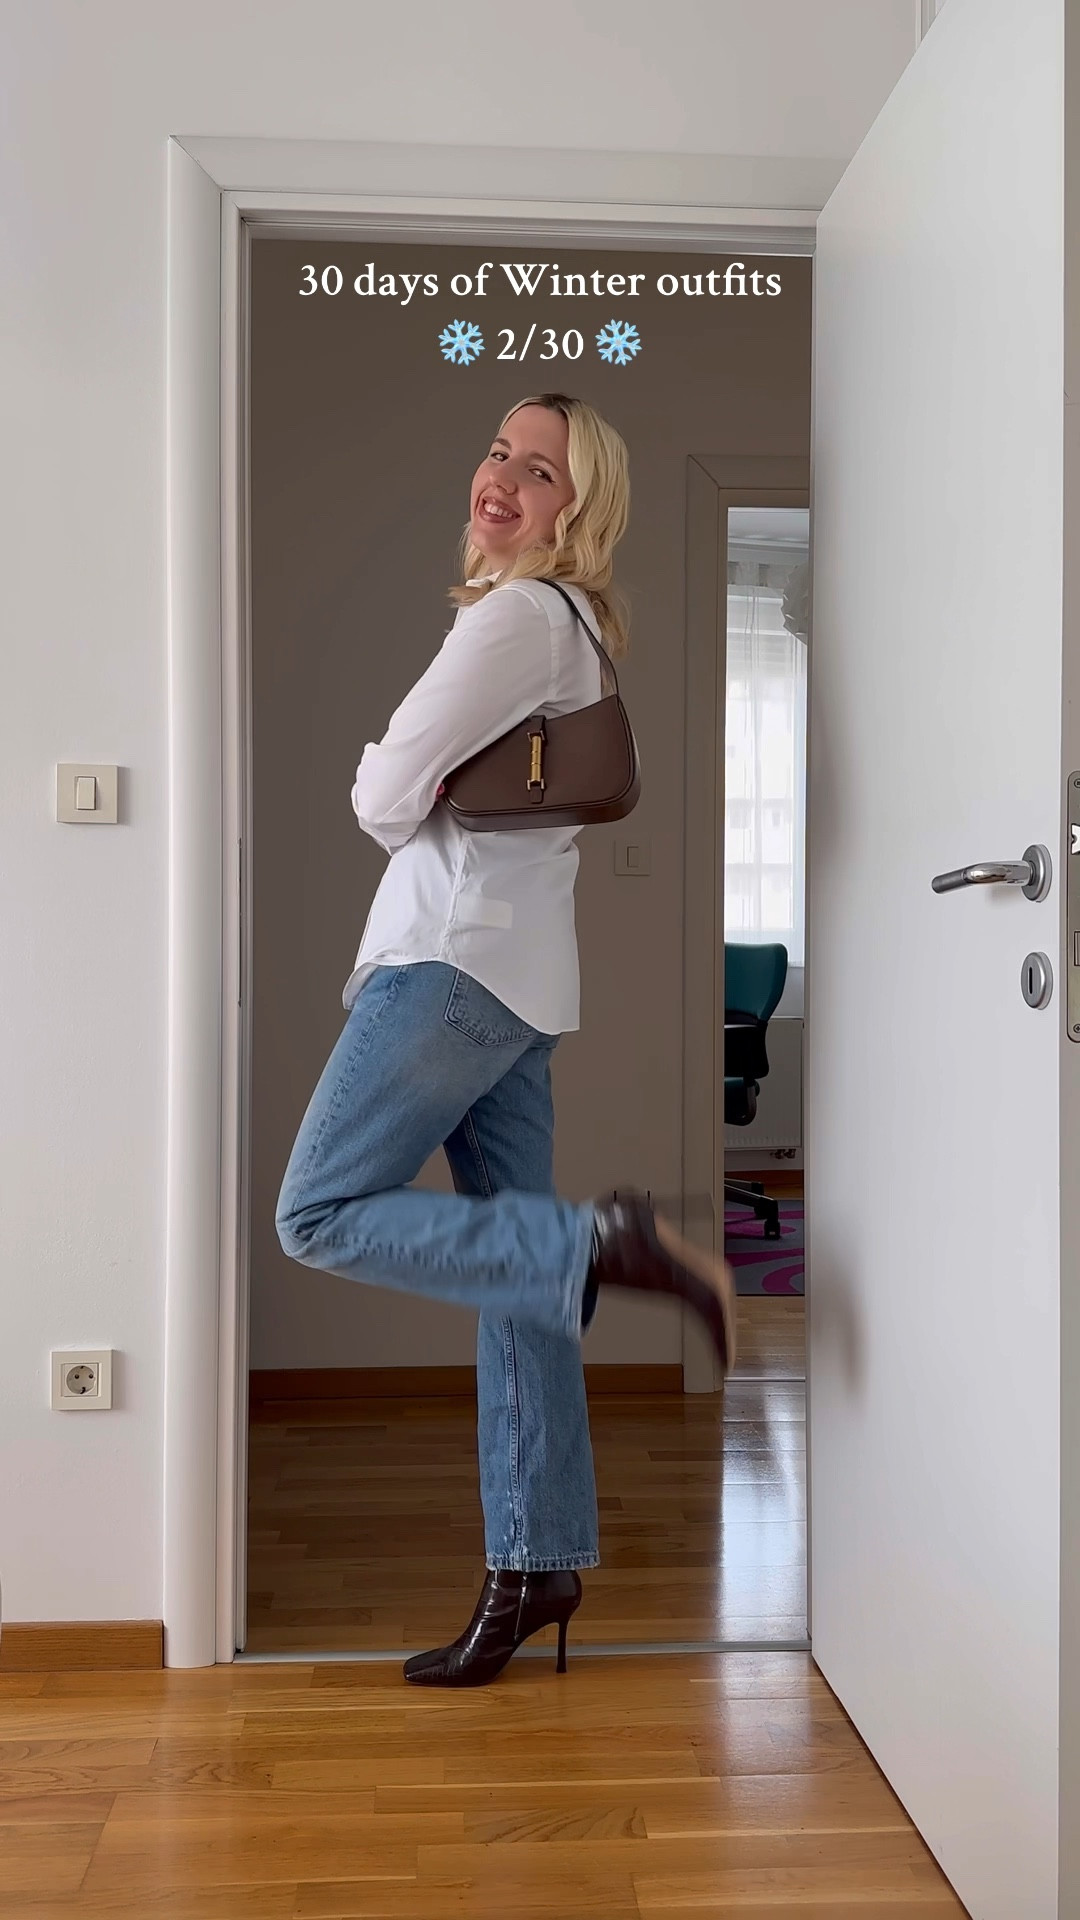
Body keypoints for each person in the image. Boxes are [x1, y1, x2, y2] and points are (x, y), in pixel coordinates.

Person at [275, 390, 736, 1688]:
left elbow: (381, 795)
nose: (503, 481)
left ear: (573, 514)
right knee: (516, 1292)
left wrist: (393, 768)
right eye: (498, 452)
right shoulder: (574, 628)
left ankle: (598, 1243)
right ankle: (533, 1565)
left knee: (316, 1212)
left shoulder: (519, 616)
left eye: (539, 472)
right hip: (521, 990)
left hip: (451, 972)